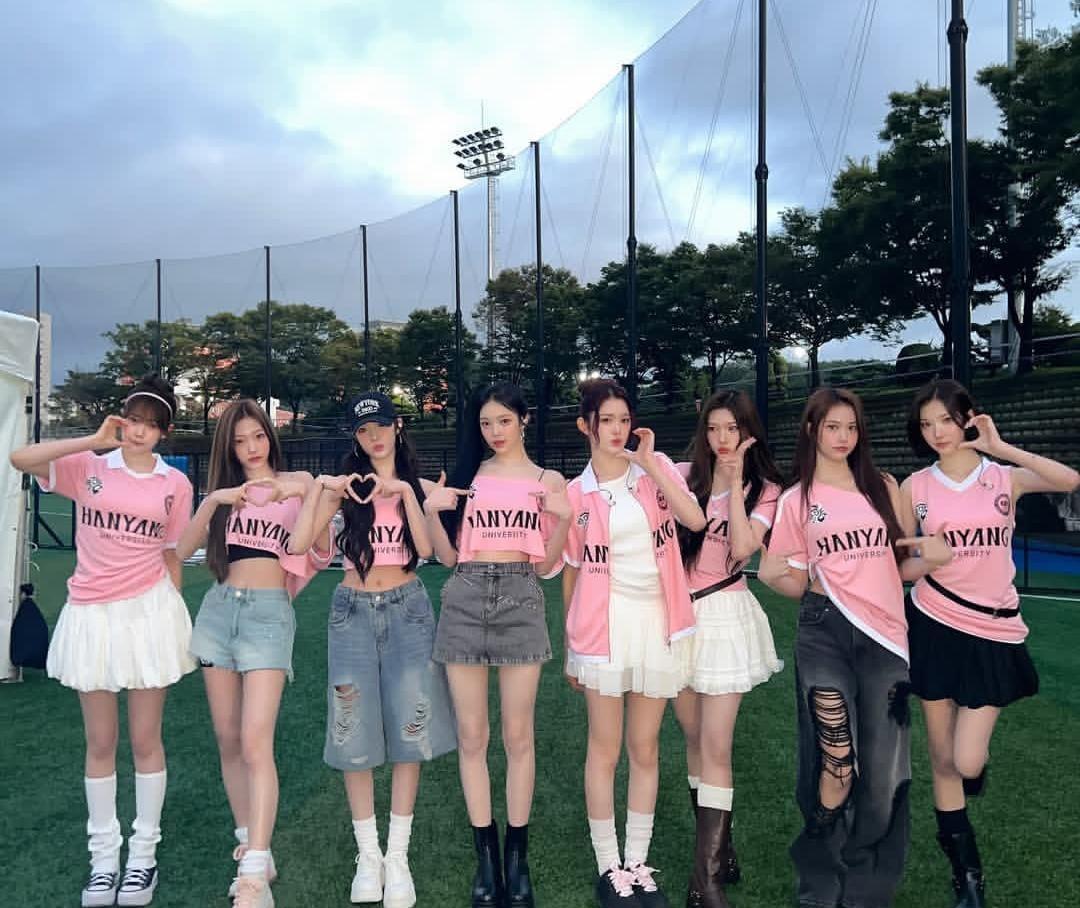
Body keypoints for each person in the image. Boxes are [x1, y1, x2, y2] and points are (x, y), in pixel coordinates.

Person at [10, 375, 194, 907]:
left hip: (148, 614)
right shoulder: (90, 466)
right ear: (121, 420)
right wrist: (91, 440)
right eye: (133, 419)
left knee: (145, 740)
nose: (138, 431)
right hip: (91, 613)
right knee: (100, 742)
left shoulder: (175, 484)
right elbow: (21, 458)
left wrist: (174, 614)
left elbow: (171, 553)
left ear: (164, 432)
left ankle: (142, 859)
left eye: (150, 425)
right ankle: (104, 860)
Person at [899, 379, 1079, 908]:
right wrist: (926, 559)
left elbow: (1070, 479)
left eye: (946, 420)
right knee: (941, 758)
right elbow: (902, 562)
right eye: (926, 424)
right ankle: (968, 878)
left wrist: (1000, 447)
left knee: (967, 762)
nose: (937, 433)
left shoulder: (1002, 476)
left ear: (968, 418)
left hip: (993, 628)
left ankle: (975, 769)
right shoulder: (916, 485)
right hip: (934, 622)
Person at [287, 392, 457, 908]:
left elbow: (426, 550)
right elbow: (298, 545)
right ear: (356, 437)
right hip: (352, 611)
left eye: (381, 425)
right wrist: (321, 489)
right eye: (364, 430)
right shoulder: (346, 488)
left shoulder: (416, 485)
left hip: (408, 608)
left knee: (412, 725)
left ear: (398, 425)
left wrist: (403, 491)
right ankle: (369, 855)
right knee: (351, 727)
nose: (374, 436)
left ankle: (397, 857)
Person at [175, 399, 332, 908]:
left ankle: (254, 879)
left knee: (255, 740)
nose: (251, 448)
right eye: (240, 441)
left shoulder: (297, 483)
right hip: (218, 613)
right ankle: (251, 848)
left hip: (268, 615)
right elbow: (181, 551)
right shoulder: (226, 496)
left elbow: (318, 538)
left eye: (258, 436)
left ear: (270, 436)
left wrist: (300, 491)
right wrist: (214, 500)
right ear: (229, 448)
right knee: (228, 739)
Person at [759, 387, 911, 908]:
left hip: (886, 639)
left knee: (884, 773)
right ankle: (820, 877)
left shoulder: (883, 488)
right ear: (812, 430)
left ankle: (866, 886)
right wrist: (790, 580)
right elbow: (782, 574)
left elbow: (900, 565)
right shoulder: (797, 500)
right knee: (834, 757)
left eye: (851, 427)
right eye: (832, 427)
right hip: (824, 630)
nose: (843, 437)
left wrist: (933, 560)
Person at [424, 381, 571, 908]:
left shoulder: (548, 480)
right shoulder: (468, 476)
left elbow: (548, 565)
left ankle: (516, 858)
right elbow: (446, 558)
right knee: (472, 737)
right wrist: (432, 511)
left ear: (524, 420)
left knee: (518, 736)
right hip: (464, 595)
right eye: (486, 423)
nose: (495, 432)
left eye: (504, 421)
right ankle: (485, 859)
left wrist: (563, 518)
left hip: (520, 596)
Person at [562, 379, 706, 908]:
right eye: (607, 421)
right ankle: (609, 867)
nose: (617, 430)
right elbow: (572, 571)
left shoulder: (655, 468)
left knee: (644, 748)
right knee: (604, 749)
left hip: (657, 622)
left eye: (624, 419)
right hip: (603, 629)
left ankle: (638, 863)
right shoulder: (576, 493)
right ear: (586, 426)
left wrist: (650, 465)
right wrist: (572, 646)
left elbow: (694, 519)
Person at [672, 390, 784, 908]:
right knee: (694, 738)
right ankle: (722, 850)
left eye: (732, 429)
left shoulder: (766, 490)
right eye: (713, 429)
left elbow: (741, 548)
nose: (721, 439)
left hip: (724, 615)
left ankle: (706, 879)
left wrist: (735, 484)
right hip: (677, 619)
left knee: (716, 744)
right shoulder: (682, 477)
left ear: (748, 433)